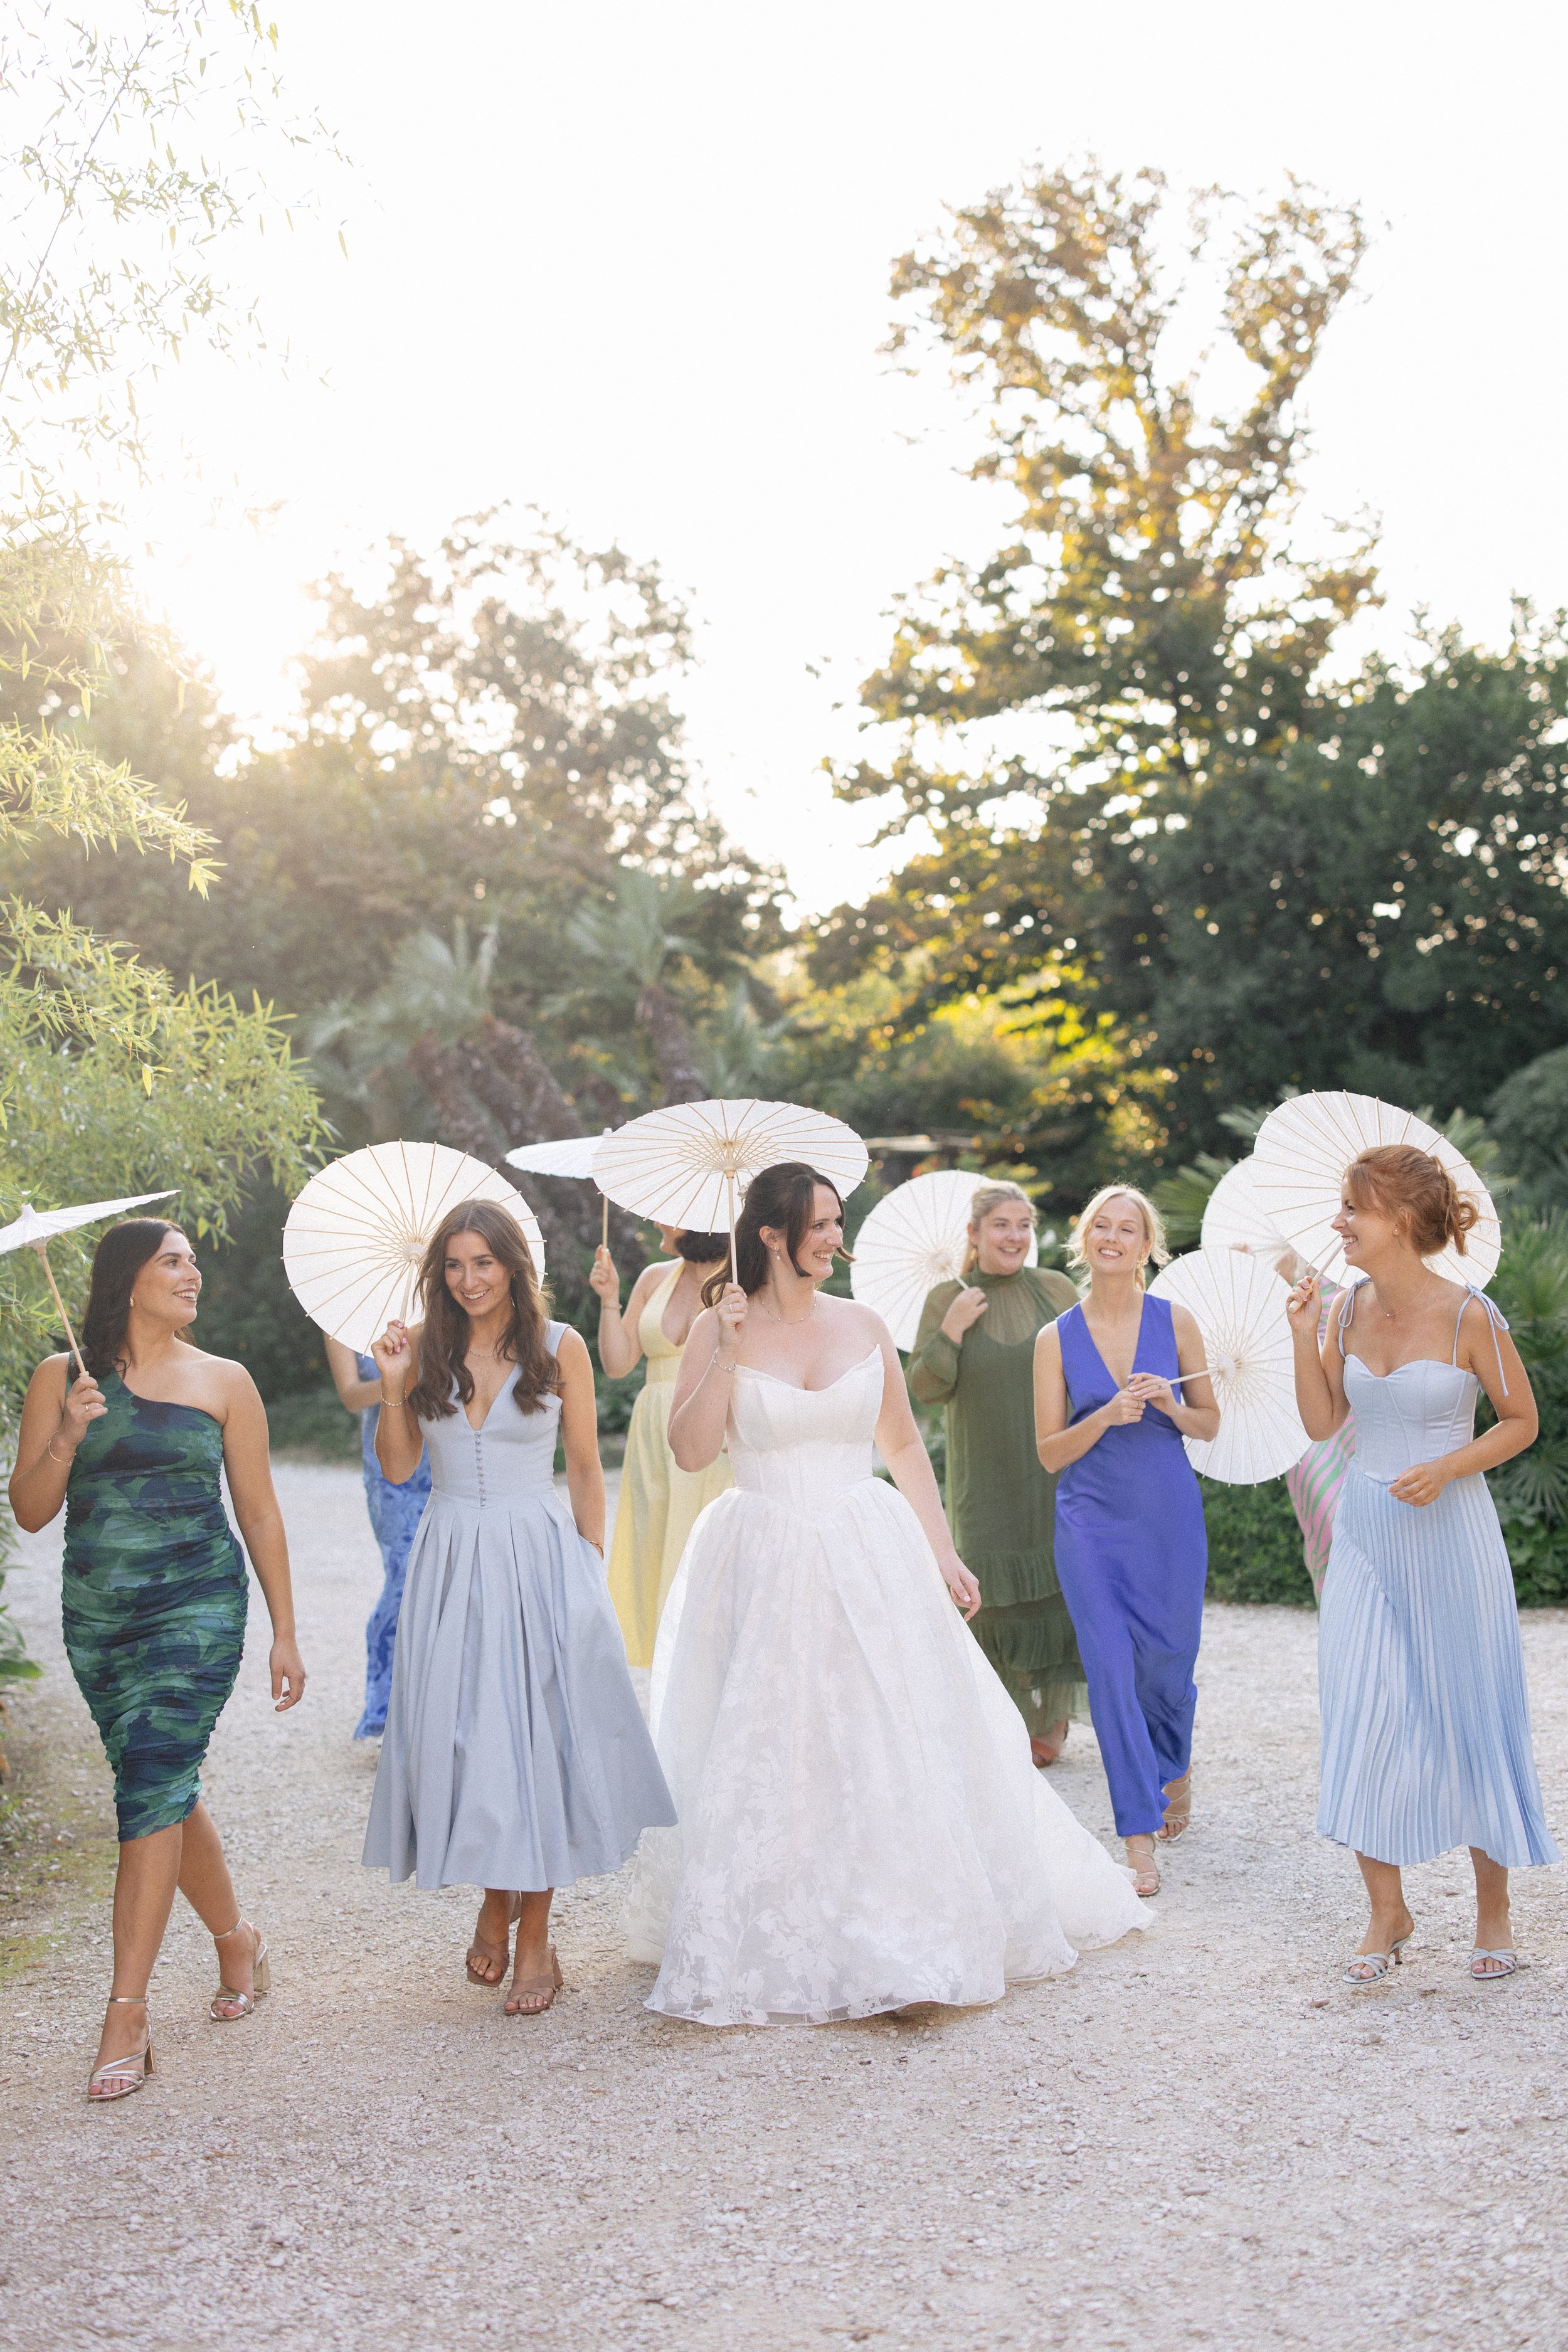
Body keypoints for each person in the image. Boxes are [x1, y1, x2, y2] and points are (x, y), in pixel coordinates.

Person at [625, 1161, 1148, 2027]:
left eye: (838, 1221)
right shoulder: (725, 1325)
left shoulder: (864, 1322)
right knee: (778, 1744)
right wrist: (717, 1345)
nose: (837, 1237)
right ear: (771, 1234)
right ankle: (792, 1929)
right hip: (762, 1547)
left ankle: (903, 1939)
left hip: (865, 1545)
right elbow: (689, 1451)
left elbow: (903, 1446)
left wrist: (944, 1555)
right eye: (822, 1224)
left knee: (881, 1732)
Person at [8, 1219, 305, 2102]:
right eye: (173, 1259)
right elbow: (28, 1509)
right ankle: (238, 1939)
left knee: (150, 1781)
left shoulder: (226, 1380)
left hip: (197, 1613)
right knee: (161, 1787)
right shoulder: (62, 1377)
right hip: (100, 1622)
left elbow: (259, 1513)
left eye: (192, 1259)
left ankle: (125, 2015)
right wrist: (66, 1432)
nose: (193, 1271)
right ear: (127, 1278)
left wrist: (285, 1628)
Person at [362, 1199, 674, 2015]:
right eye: (454, 1265)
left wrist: (589, 1568)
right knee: (470, 1739)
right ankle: (495, 1898)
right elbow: (399, 1471)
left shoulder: (559, 1345)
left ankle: (532, 1930)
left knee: (542, 1739)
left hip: (541, 1554)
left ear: (513, 1266)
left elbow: (582, 1466)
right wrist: (394, 1386)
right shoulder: (422, 1351)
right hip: (452, 1557)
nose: (468, 1279)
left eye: (484, 1262)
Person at [1288, 1143, 1557, 1987]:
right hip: (1366, 1532)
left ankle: (1494, 1911)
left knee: (1468, 1706)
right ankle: (1387, 1908)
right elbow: (1324, 1418)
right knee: (1361, 1703)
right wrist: (1302, 1336)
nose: (1340, 1222)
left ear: (1402, 1219)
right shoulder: (1340, 1311)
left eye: (1353, 1208)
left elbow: (1521, 1421)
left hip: (1451, 1533)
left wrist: (1447, 1465)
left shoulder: (1473, 1314)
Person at [1034, 1187, 1217, 1899]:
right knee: (1110, 1671)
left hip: (1167, 1516)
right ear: (1084, 1241)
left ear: (1147, 1246)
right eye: (1100, 1227)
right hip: (1089, 1524)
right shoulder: (1055, 1337)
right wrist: (1106, 1415)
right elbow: (1050, 1453)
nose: (1112, 1237)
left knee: (1166, 1666)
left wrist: (1172, 1405)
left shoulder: (1177, 1324)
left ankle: (1173, 1761)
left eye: (1127, 1228)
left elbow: (1211, 1425)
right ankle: (1137, 1839)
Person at [908, 1181, 1085, 1766]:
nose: (1015, 1236)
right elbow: (924, 1389)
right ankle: (999, 1716)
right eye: (1002, 1225)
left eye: (1024, 1225)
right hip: (981, 1477)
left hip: (1051, 1470)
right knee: (988, 1596)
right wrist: (953, 1328)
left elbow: (1089, 1367)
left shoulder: (1056, 1289)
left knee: (1057, 1590)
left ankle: (1051, 1719)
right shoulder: (946, 1298)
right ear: (975, 1234)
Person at [591, 1225, 733, 1666]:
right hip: (654, 1438)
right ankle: (669, 1676)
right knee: (654, 1552)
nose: (654, 1223)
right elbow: (617, 1364)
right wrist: (610, 1299)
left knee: (710, 1557)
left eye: (667, 1216)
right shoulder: (655, 1277)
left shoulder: (744, 1277)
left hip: (715, 1429)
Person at [324, 1337, 431, 1738]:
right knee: (404, 1576)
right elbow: (352, 1396)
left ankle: (437, 1703)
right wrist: (403, 1380)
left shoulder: (438, 1308)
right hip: (390, 1472)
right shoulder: (344, 1321)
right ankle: (386, 1707)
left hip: (443, 1457)